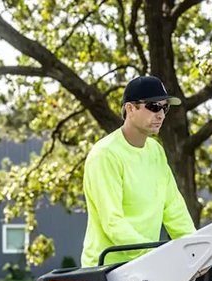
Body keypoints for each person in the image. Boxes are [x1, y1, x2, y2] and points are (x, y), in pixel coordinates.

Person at [80, 75, 196, 267]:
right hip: (107, 269)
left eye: (165, 107)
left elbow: (174, 209)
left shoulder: (155, 151)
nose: (161, 115)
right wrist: (154, 257)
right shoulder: (105, 155)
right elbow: (113, 222)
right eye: (153, 107)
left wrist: (195, 250)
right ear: (130, 109)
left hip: (144, 266)